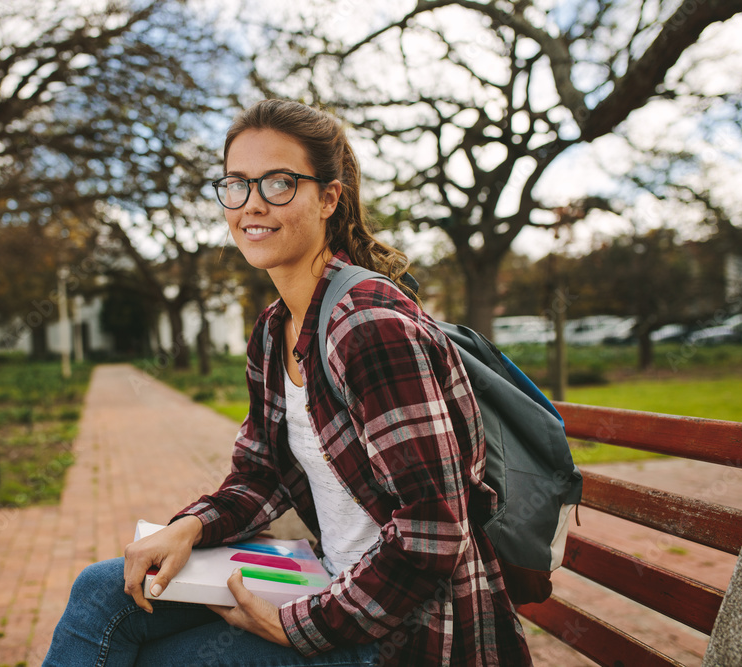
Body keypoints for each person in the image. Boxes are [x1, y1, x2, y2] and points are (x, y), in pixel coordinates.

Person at [43, 99, 532, 666]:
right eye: (237, 184)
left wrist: (301, 626)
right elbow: (263, 473)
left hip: (405, 631)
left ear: (329, 197)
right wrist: (191, 527)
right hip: (325, 580)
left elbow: (432, 534)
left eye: (278, 183)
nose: (252, 205)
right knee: (102, 592)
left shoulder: (369, 328)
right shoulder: (276, 328)